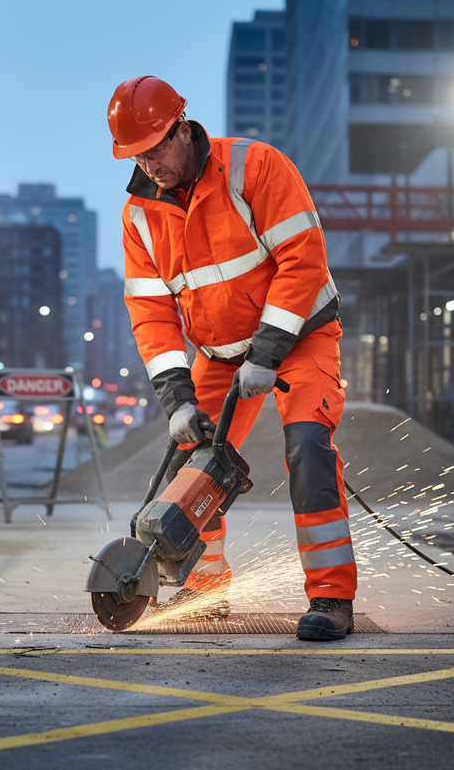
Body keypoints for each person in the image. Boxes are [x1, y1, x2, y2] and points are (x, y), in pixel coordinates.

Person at [108, 75, 357, 640]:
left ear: (182, 130)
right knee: (193, 463)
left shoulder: (256, 167)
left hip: (301, 339)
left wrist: (268, 352)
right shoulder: (138, 216)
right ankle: (204, 590)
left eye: (155, 150)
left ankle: (330, 597)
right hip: (220, 356)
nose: (149, 166)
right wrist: (176, 401)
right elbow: (151, 314)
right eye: (135, 156)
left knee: (309, 449)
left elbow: (303, 261)